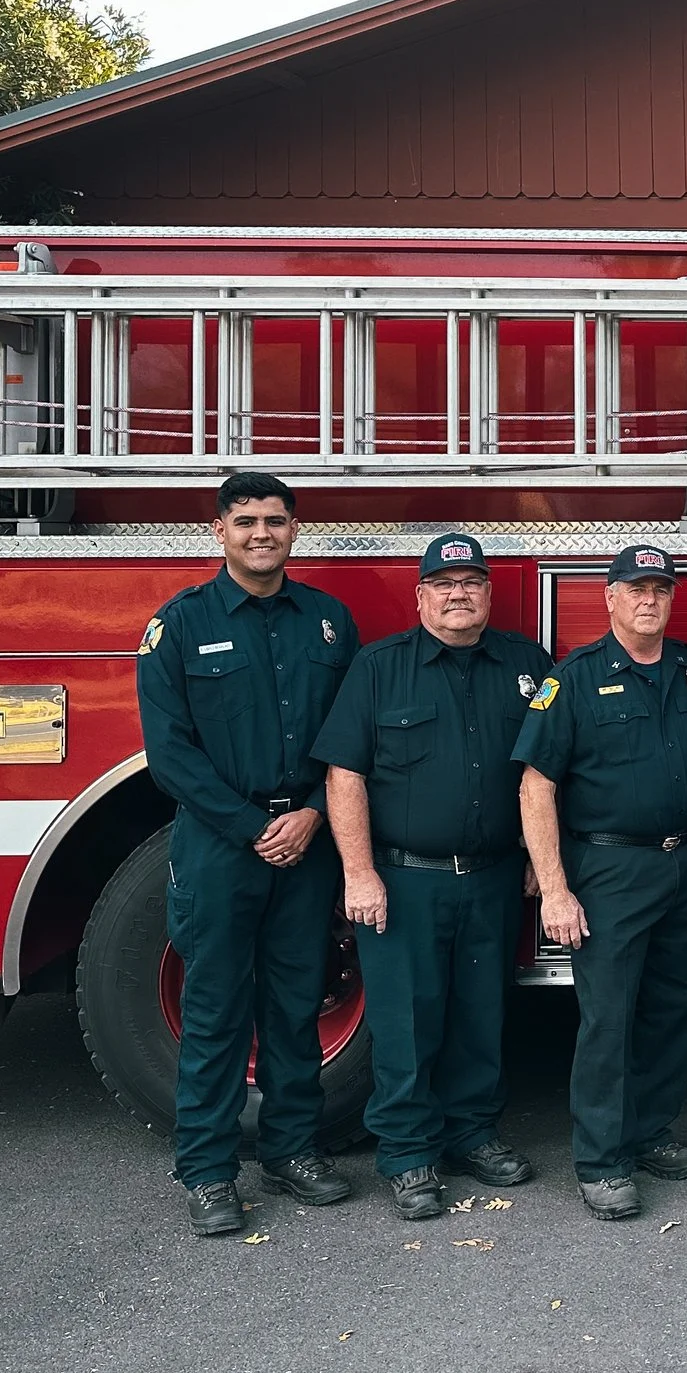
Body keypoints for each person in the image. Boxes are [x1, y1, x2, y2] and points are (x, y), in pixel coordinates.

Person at [135, 472, 361, 1237]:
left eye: (275, 520)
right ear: (219, 530)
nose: (261, 533)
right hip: (219, 846)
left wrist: (310, 815)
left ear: (296, 528)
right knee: (215, 1011)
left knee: (296, 1006)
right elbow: (170, 755)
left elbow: (348, 739)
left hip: (305, 839)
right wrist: (248, 825)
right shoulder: (180, 625)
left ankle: (293, 1150)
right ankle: (206, 1171)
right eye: (246, 521)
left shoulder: (329, 623)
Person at [313, 533, 552, 1220]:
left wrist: (539, 860)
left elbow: (546, 772)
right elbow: (344, 775)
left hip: (494, 876)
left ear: (487, 593)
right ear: (420, 595)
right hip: (404, 879)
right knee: (407, 1022)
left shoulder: (526, 665)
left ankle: (473, 1134)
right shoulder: (379, 668)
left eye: (471, 581)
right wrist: (358, 874)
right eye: (443, 583)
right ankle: (409, 1155)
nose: (458, 593)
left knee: (482, 1014)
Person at [512, 546, 687, 1222]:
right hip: (609, 870)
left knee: (675, 1007)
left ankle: (649, 1132)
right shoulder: (572, 678)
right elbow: (536, 786)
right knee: (608, 1017)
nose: (649, 600)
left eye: (660, 589)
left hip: (685, 863)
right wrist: (554, 888)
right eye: (636, 589)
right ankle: (601, 1160)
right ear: (609, 598)